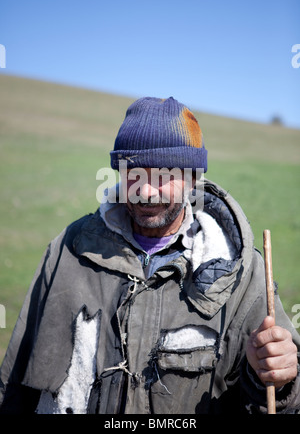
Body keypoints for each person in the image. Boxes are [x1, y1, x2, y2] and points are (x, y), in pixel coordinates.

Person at [0, 97, 299, 414]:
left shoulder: (243, 274)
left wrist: (279, 381)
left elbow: (282, 398)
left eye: (163, 174)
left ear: (193, 179)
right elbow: (13, 384)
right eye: (133, 172)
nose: (145, 190)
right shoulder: (70, 248)